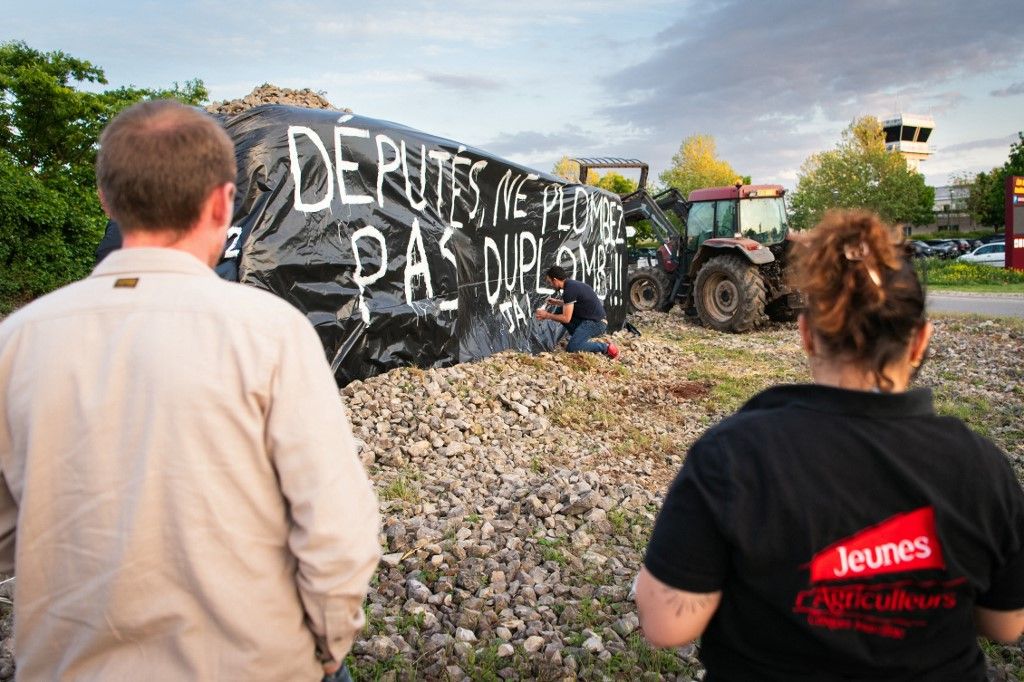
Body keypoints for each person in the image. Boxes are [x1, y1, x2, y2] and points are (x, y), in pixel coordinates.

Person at [0, 100, 381, 680]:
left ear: (107, 201)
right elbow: (336, 527)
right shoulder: (271, 333)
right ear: (224, 203)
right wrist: (326, 649)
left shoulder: (16, 341)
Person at [636, 210, 1024, 680]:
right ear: (920, 340)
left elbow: (666, 625)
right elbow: (1004, 624)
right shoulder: (981, 467)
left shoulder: (732, 454)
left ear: (807, 334)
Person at [534, 265, 619, 359]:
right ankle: (578, 338)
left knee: (572, 347)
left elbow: (566, 319)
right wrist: (557, 302)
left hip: (596, 323)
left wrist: (547, 315)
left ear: (555, 280)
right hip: (591, 319)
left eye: (550, 282)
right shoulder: (572, 285)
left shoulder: (569, 291)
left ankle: (605, 347)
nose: (551, 285)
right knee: (559, 311)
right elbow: (574, 304)